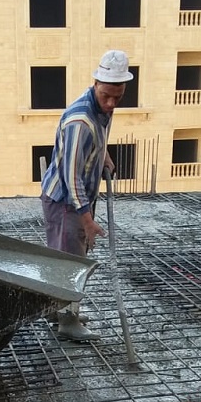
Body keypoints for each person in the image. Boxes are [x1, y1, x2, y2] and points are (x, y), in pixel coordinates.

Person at [40, 49, 133, 342]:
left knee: (65, 256)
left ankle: (57, 309)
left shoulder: (103, 108)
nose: (111, 103)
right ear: (95, 83)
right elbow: (71, 177)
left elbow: (97, 138)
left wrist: (103, 154)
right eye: (106, 95)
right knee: (71, 262)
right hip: (65, 201)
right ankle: (67, 321)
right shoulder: (79, 121)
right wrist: (88, 220)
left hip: (74, 199)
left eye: (117, 97)